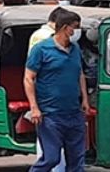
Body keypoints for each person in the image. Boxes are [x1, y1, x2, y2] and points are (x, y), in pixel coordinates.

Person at [24, 9, 90, 172]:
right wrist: (34, 108)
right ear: (64, 28)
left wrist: (85, 100)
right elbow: (28, 78)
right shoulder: (41, 49)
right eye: (74, 27)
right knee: (51, 158)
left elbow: (80, 73)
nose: (76, 31)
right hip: (50, 116)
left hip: (74, 113)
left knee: (77, 160)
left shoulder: (75, 49)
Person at [26, 7, 66, 172]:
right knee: (50, 138)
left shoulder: (38, 35)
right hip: (46, 94)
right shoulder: (45, 38)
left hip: (49, 93)